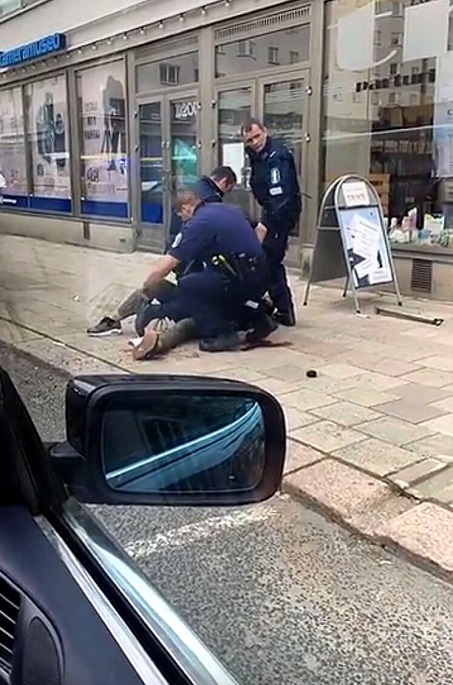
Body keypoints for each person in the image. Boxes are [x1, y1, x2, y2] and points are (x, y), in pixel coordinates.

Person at [87, 166, 238, 338]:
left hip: (177, 245)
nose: (228, 193)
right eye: (229, 189)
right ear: (225, 182)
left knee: (159, 285)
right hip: (192, 252)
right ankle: (153, 311)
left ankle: (115, 318)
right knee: (187, 292)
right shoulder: (211, 198)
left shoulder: (195, 186)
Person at [134, 188, 271, 354]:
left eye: (181, 216)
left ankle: (222, 334)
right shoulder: (230, 208)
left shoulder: (197, 224)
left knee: (189, 285)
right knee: (215, 285)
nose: (183, 220)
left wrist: (149, 284)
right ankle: (259, 320)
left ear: (186, 208)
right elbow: (262, 230)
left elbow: (170, 262)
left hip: (238, 279)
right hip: (261, 273)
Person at [241, 118, 302, 327]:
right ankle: (279, 308)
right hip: (271, 211)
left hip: (280, 215)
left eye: (257, 136)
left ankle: (280, 309)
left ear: (265, 132)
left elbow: (281, 197)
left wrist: (267, 225)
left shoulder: (277, 156)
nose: (255, 142)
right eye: (249, 140)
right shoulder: (257, 155)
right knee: (268, 261)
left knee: (268, 261)